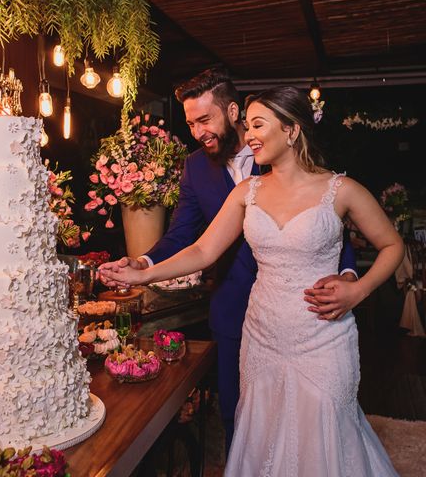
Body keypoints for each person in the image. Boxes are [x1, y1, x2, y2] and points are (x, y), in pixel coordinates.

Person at [101, 86, 402, 475]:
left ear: (292, 131)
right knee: (263, 431)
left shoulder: (341, 189)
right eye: (248, 126)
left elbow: (392, 245)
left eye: (258, 125)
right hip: (262, 334)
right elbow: (202, 251)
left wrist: (357, 289)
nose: (249, 136)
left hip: (323, 334)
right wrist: (145, 272)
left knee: (324, 432)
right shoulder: (248, 192)